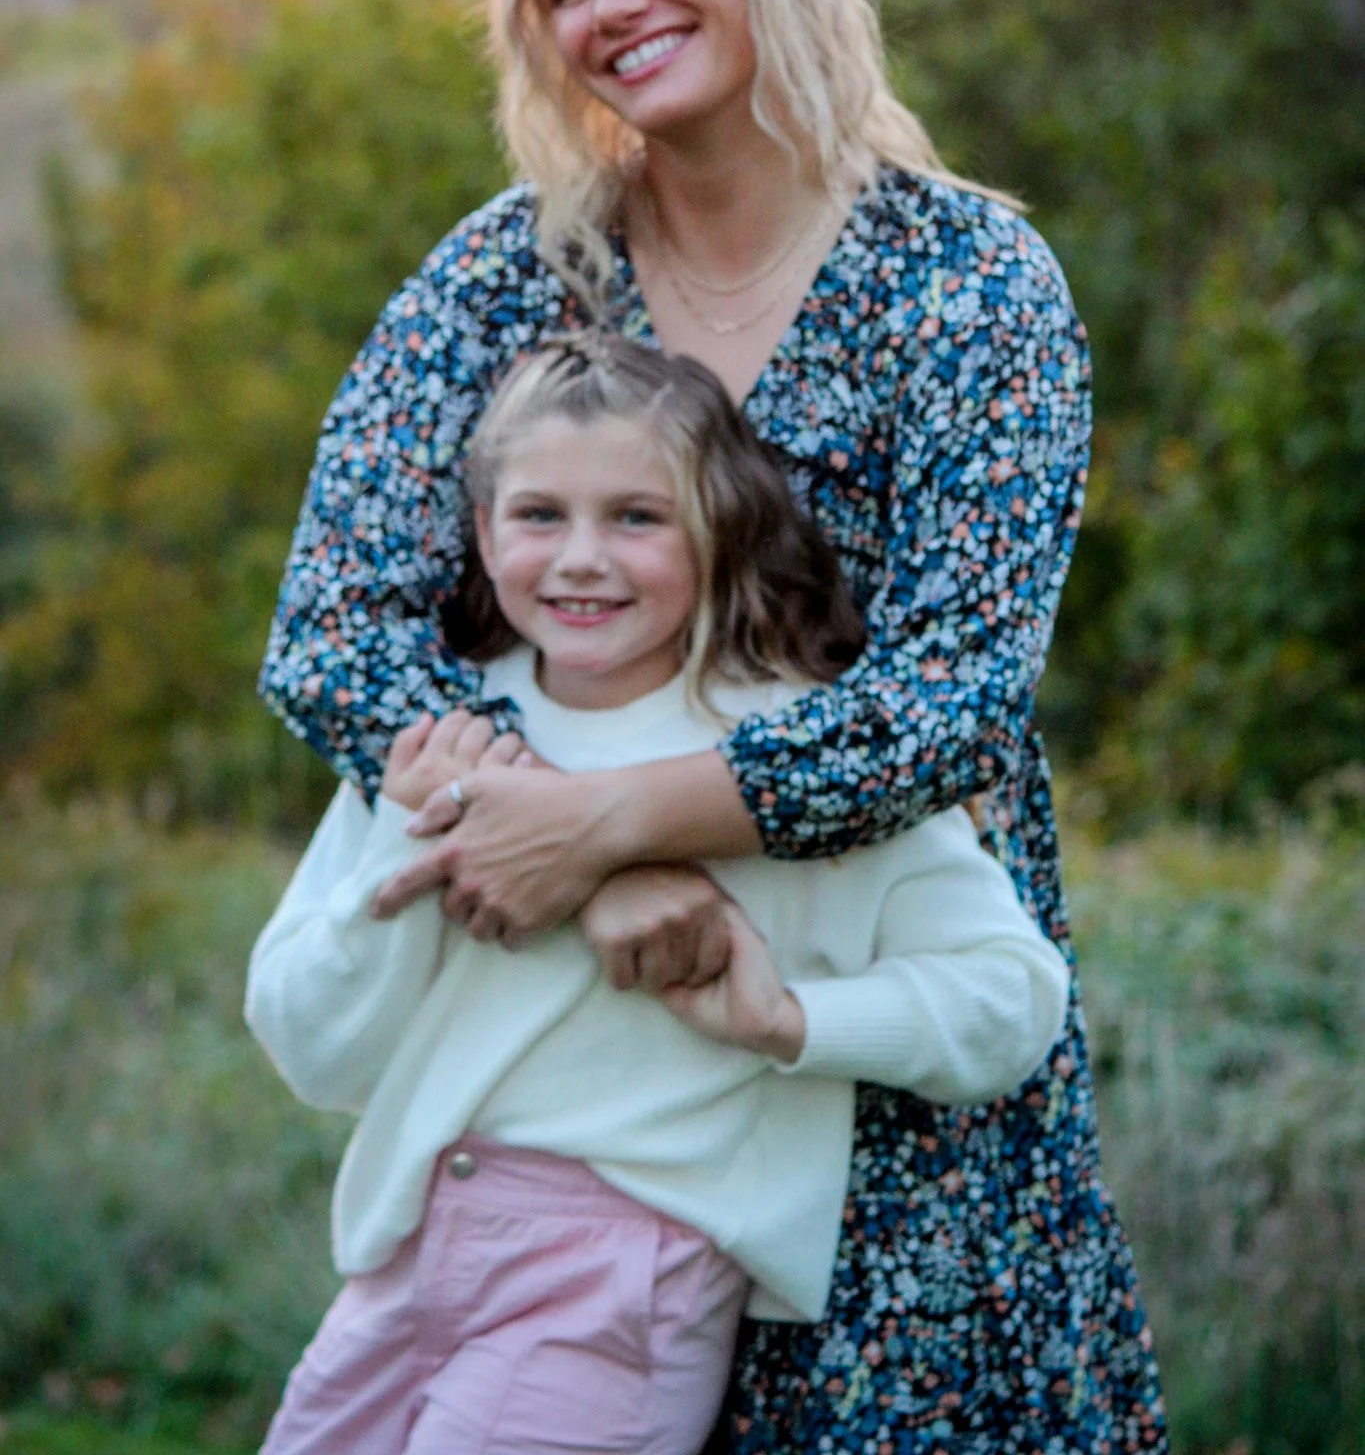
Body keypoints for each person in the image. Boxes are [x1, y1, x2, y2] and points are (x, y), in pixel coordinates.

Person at [260, 0, 1168, 1451]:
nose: (614, 6)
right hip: (577, 1088)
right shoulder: (500, 279)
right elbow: (329, 629)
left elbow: (950, 699)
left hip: (873, 1024)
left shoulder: (971, 281)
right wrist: (556, 843)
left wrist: (604, 829)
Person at [247, 334, 1070, 1455]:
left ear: (719, 528)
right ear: (483, 534)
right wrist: (415, 830)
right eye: (540, 514)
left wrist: (794, 1022)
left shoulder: (790, 757)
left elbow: (1013, 996)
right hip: (408, 1252)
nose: (582, 557)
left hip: (620, 1275)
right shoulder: (446, 736)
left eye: (637, 516)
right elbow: (311, 1045)